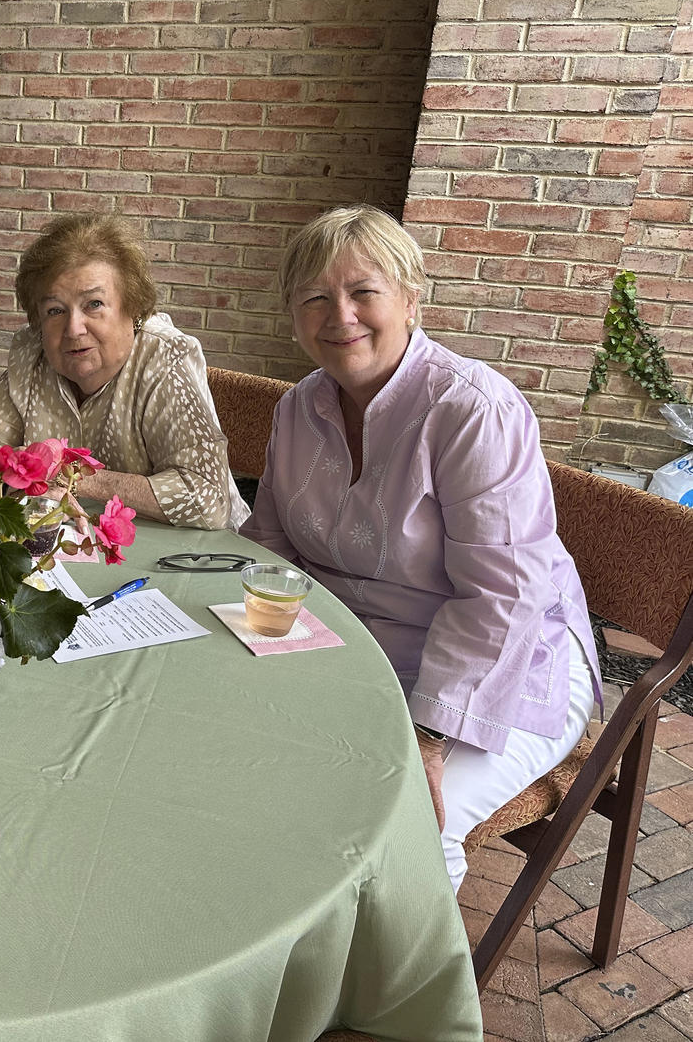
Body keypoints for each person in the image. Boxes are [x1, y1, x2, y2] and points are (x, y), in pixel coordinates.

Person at [240, 204, 599, 891]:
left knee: (408, 821)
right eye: (315, 298)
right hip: (359, 649)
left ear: (410, 297)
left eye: (362, 291)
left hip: (508, 667)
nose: (339, 315)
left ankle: (407, 993)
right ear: (294, 317)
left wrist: (429, 736)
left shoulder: (471, 411)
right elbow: (272, 546)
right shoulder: (297, 410)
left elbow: (504, 597)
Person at [0, 213, 247, 529]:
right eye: (55, 311)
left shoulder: (164, 357)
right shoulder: (33, 356)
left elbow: (208, 499)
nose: (73, 328)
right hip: (72, 545)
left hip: (193, 555)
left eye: (94, 304)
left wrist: (74, 477)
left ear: (133, 308)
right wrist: (21, 470)